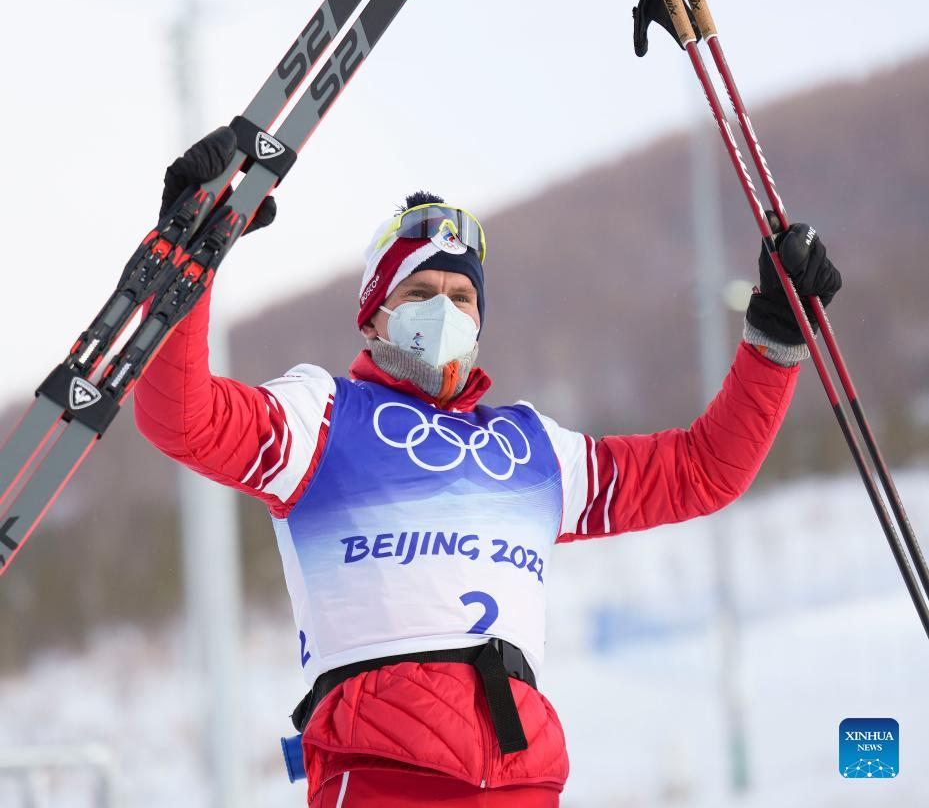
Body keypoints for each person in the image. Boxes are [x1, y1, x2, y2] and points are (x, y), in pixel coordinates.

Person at [135, 126, 842, 807]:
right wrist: (188, 261)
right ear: (374, 315)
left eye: (461, 297)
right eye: (417, 293)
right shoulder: (319, 416)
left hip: (521, 777)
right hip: (385, 775)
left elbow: (701, 470)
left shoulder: (532, 448)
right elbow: (181, 417)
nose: (441, 310)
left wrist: (775, 334)